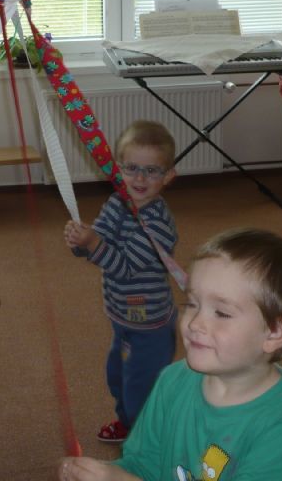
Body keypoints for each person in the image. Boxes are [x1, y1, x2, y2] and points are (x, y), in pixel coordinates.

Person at [60, 228, 282, 481]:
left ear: (274, 332)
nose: (194, 323)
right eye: (192, 304)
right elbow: (143, 463)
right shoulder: (173, 380)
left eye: (222, 313)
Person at [63, 119, 178, 443]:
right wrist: (80, 242)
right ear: (118, 170)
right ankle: (127, 422)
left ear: (168, 176)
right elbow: (99, 239)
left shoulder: (158, 224)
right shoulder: (117, 203)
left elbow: (124, 267)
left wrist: (92, 243)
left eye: (152, 171)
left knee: (142, 386)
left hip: (151, 326)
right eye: (131, 168)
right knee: (117, 376)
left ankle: (146, 440)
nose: (140, 178)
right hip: (122, 316)